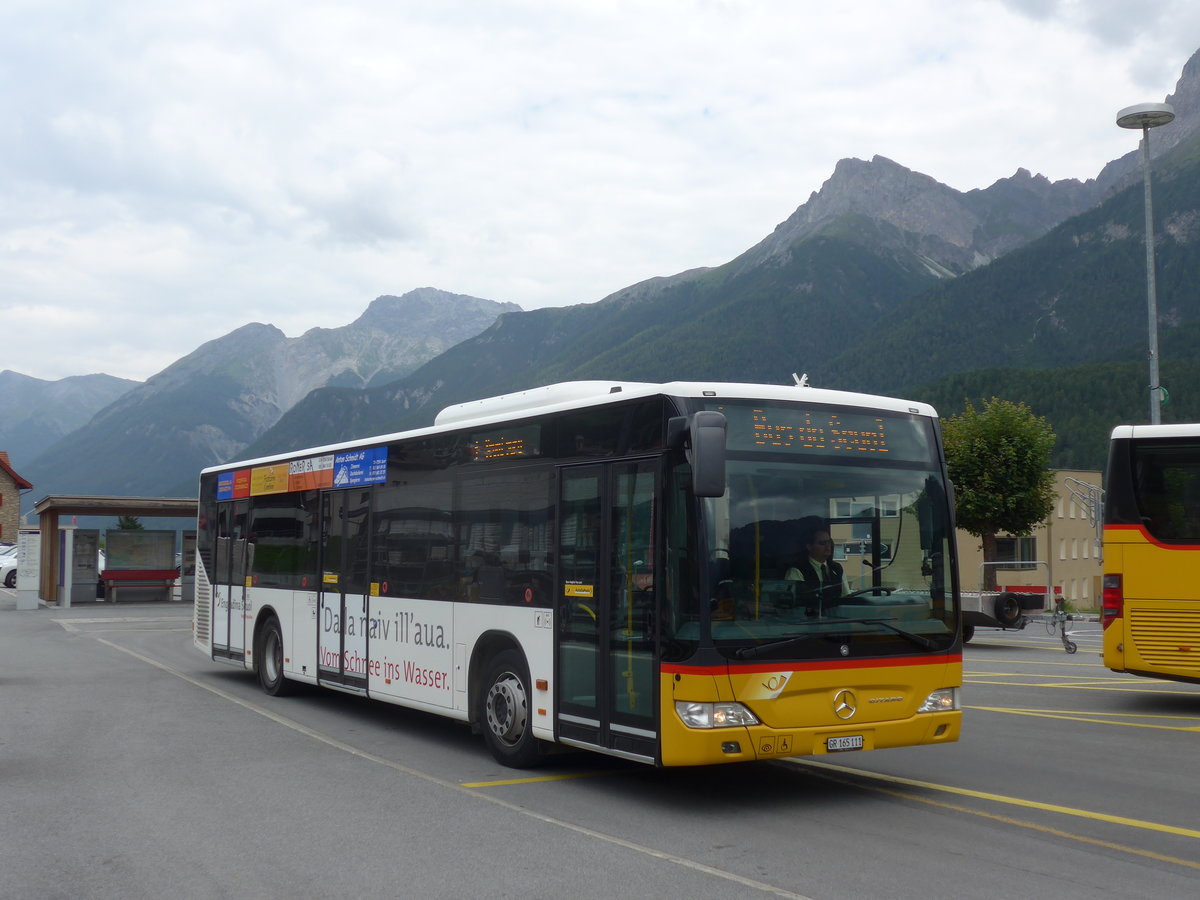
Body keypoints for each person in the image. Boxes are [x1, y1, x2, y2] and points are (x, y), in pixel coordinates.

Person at [784, 526, 846, 612]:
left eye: (829, 542)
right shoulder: (796, 571)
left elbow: (846, 597)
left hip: (836, 619)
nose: (828, 546)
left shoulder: (837, 568)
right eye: (822, 543)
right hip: (810, 622)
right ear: (809, 547)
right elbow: (794, 604)